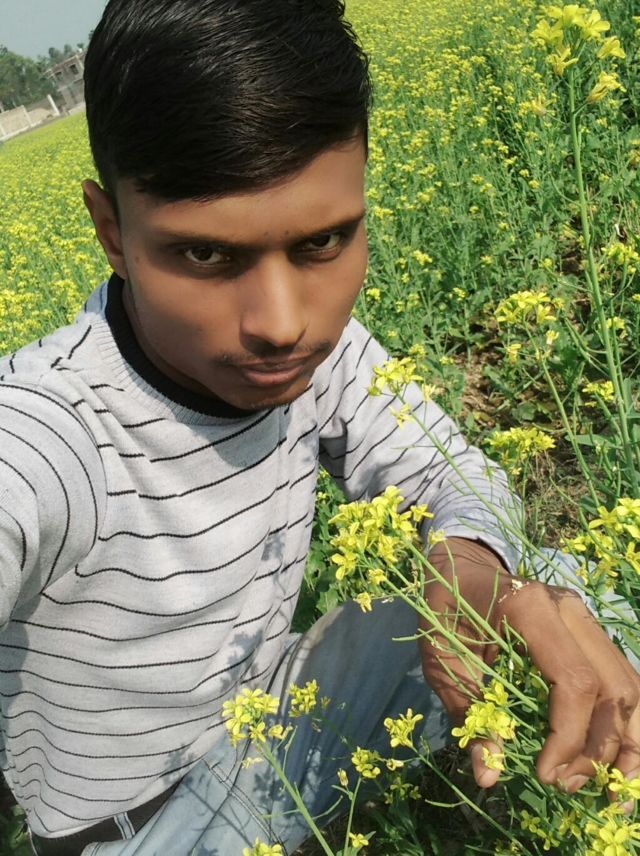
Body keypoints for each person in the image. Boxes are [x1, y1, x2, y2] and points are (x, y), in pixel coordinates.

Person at [1, 1, 638, 853]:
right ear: (111, 232)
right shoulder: (47, 432)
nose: (282, 323)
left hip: (280, 716)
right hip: (142, 829)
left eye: (324, 242)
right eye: (205, 254)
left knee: (557, 598)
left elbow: (452, 476)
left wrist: (470, 571)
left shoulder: (312, 356)